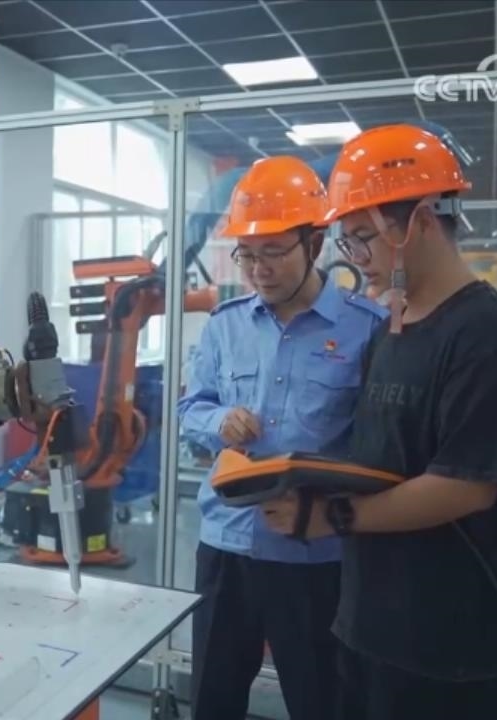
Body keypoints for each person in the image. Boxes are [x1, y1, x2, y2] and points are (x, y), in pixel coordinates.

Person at [260, 124, 497, 720]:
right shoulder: (394, 327)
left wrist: (331, 516)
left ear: (419, 221)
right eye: (347, 242)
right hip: (370, 621)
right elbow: (387, 454)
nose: (354, 258)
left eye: (362, 238)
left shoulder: (485, 336)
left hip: (445, 640)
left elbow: (466, 486)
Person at [178, 155, 387, 720]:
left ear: (313, 243)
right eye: (247, 254)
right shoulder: (225, 325)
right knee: (213, 698)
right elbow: (189, 409)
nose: (258, 269)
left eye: (273, 252)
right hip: (226, 547)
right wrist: (218, 422)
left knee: (322, 700)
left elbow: (378, 449)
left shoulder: (366, 330)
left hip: (313, 554)